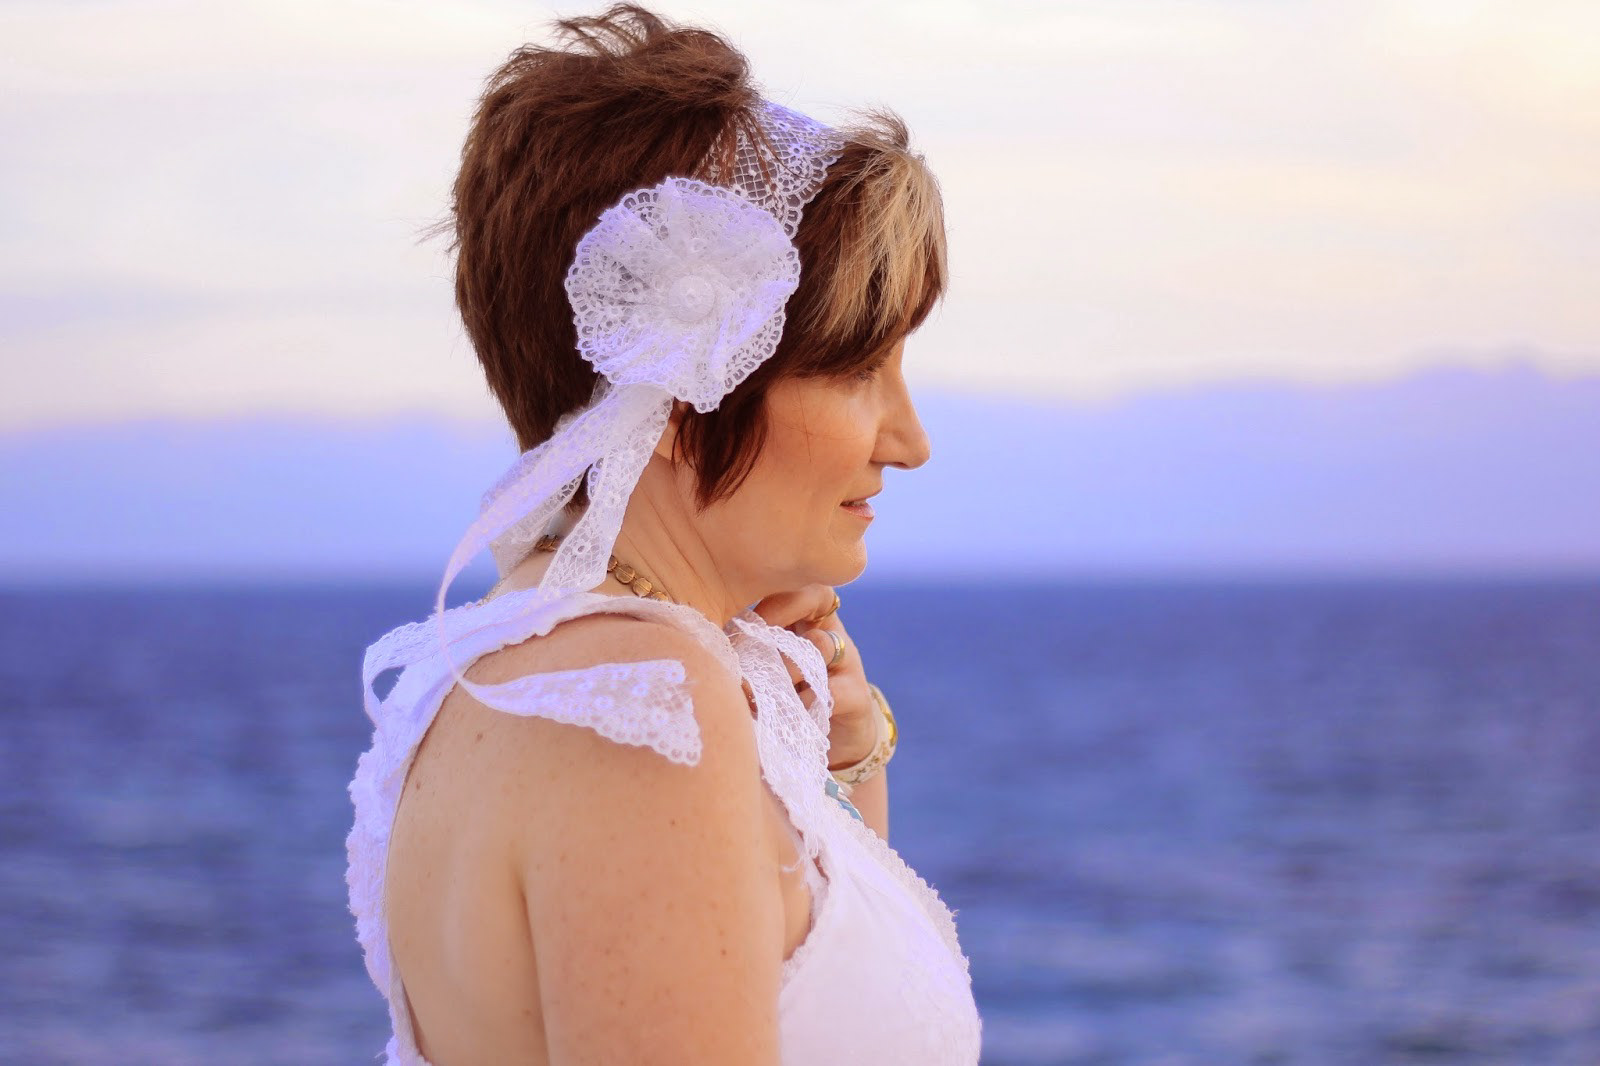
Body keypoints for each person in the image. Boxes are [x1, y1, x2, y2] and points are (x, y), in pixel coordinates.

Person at [344, 5, 982, 1063]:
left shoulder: (541, 662)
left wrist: (848, 749)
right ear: (684, 397)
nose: (909, 442)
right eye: (857, 369)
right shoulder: (639, 697)